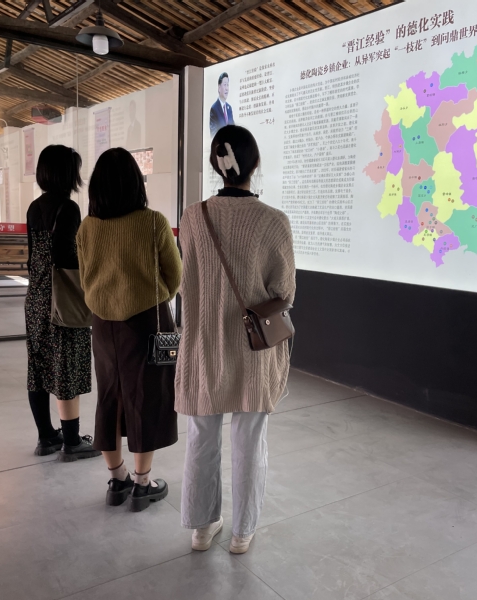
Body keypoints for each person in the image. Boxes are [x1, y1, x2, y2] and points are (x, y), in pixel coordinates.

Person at [176, 125, 296, 554]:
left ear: (216, 164)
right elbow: (284, 293)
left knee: (201, 438)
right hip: (252, 349)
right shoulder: (274, 221)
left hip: (203, 344)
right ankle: (243, 531)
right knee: (249, 441)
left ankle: (202, 527)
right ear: (255, 163)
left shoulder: (192, 217)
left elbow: (186, 281)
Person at [77, 147, 182, 512]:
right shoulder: (153, 222)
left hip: (103, 323)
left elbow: (85, 277)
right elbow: (175, 276)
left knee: (110, 396)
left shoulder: (87, 227)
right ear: (137, 182)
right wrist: (153, 294)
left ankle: (116, 479)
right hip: (149, 321)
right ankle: (142, 483)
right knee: (148, 396)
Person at [25, 145, 100, 462]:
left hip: (36, 299)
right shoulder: (68, 208)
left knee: (38, 367)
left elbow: (34, 255)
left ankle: (46, 437)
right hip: (62, 301)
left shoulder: (34, 207)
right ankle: (71, 441)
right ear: (67, 173)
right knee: (66, 367)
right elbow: (65, 256)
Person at [209, 72, 234, 137]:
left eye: (228, 85)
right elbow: (213, 134)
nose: (227, 88)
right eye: (225, 85)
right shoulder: (214, 109)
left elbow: (233, 130)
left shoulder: (229, 108)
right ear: (219, 87)